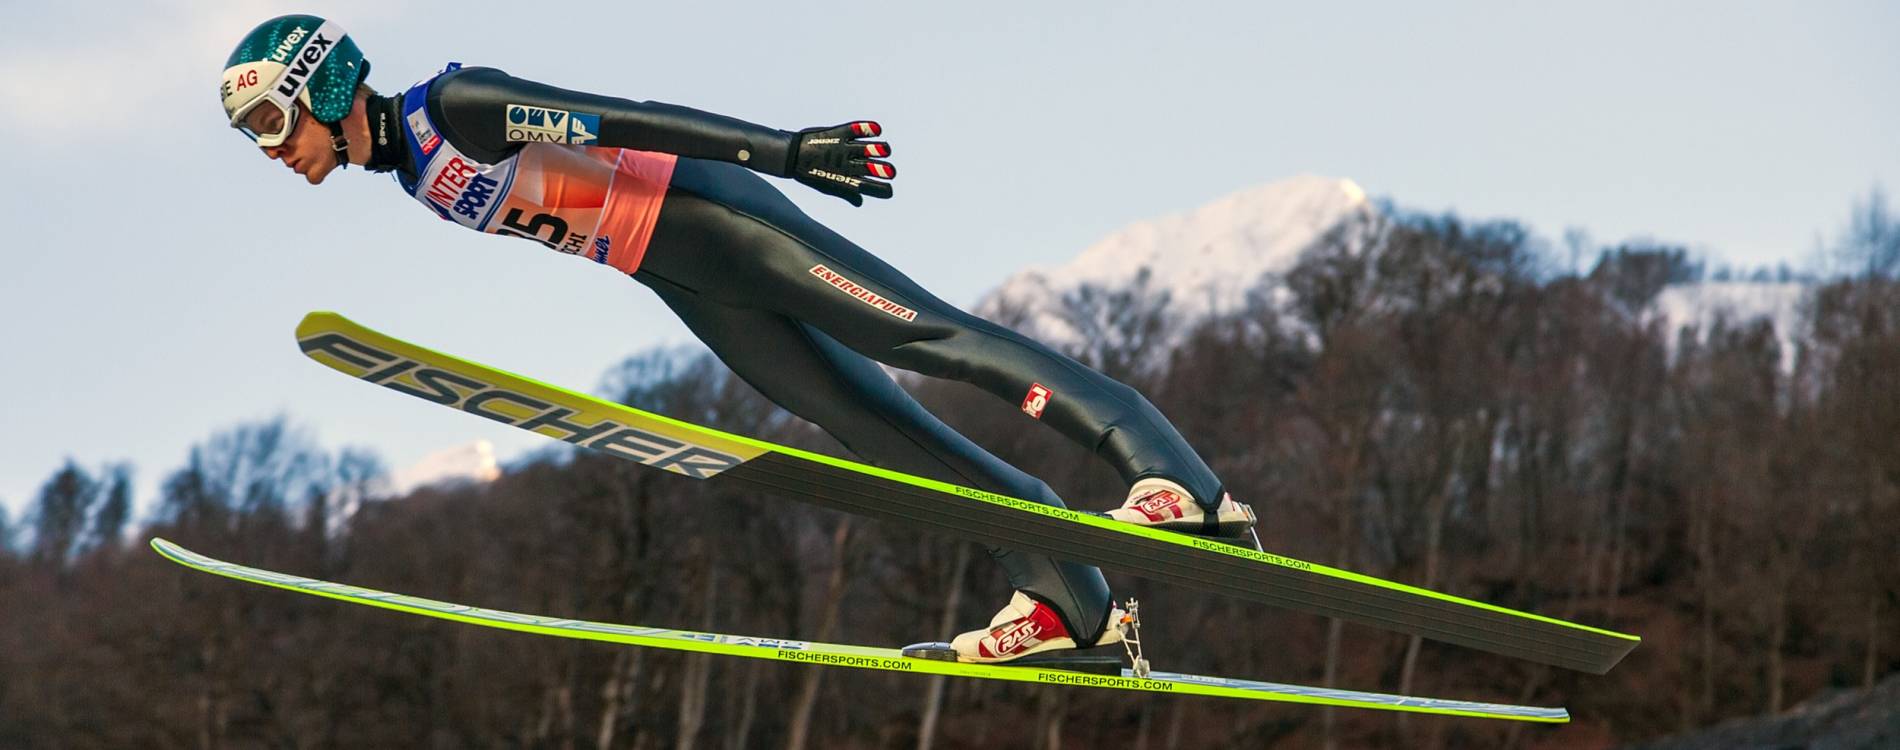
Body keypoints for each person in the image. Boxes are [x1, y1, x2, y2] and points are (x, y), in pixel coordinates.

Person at [220, 14, 1258, 664]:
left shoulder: (455, 106)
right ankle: (1066, 596)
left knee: (928, 339)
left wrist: (788, 152)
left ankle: (1178, 481)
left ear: (317, 83)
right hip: (671, 270)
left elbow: (627, 118)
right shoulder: (410, 168)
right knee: (866, 423)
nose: (275, 152)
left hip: (717, 220)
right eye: (255, 141)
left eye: (273, 126)